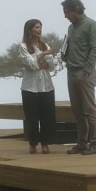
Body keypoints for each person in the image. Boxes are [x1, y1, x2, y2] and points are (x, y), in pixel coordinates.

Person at [60, 0, 96, 155]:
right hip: (71, 73)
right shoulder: (71, 28)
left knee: (89, 110)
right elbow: (69, 47)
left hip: (85, 74)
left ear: (75, 9)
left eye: (66, 12)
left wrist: (87, 70)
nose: (65, 16)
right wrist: (64, 56)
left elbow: (95, 50)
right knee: (77, 110)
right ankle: (82, 143)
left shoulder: (92, 25)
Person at [19, 19, 60, 154]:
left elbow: (52, 65)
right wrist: (43, 55)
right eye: (37, 27)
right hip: (30, 87)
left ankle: (45, 143)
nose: (39, 30)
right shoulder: (24, 46)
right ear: (30, 29)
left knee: (47, 116)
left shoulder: (45, 45)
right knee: (32, 116)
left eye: (40, 27)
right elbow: (33, 64)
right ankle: (32, 143)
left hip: (46, 86)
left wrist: (45, 61)